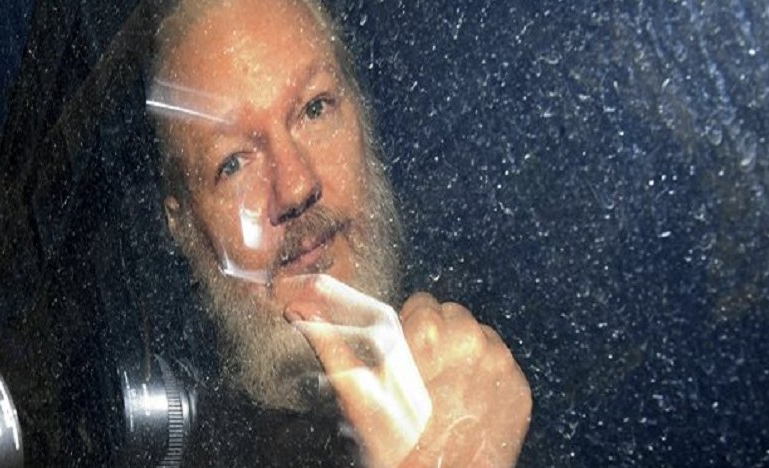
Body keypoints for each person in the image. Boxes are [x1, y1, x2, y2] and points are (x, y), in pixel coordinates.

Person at [148, 0, 532, 466]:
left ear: (365, 116)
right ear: (185, 228)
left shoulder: (504, 330)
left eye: (315, 109)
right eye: (232, 163)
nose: (295, 186)